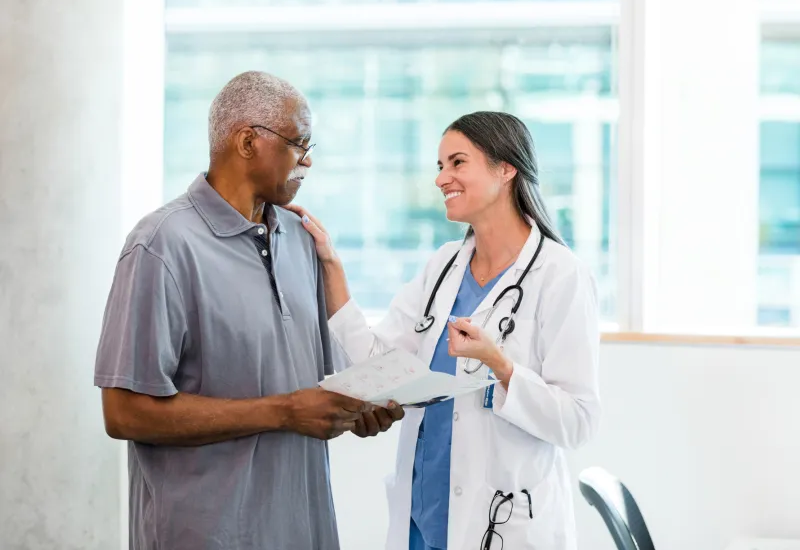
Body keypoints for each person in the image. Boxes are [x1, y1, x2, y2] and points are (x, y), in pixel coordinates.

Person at [94, 70, 404, 550]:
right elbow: (124, 413)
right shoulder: (160, 246)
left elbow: (316, 390)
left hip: (303, 528)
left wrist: (355, 409)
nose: (308, 161)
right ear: (246, 142)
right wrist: (283, 412)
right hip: (206, 534)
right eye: (299, 144)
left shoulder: (302, 242)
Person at [288, 111, 601, 550]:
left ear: (506, 169)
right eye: (440, 166)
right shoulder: (444, 264)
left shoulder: (560, 274)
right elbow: (382, 362)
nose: (441, 179)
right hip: (423, 517)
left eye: (457, 163)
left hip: (502, 523)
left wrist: (500, 366)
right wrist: (331, 267)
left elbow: (578, 421)